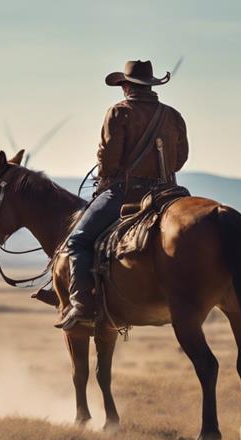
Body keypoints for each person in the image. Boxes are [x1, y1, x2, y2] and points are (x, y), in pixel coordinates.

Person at [54, 60, 189, 330]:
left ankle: (82, 305)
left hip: (126, 193)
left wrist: (106, 177)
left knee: (77, 241)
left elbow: (108, 158)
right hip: (167, 192)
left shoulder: (119, 112)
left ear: (126, 86)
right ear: (150, 85)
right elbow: (180, 160)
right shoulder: (172, 115)